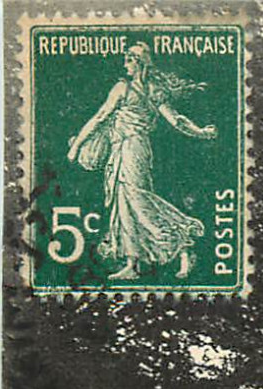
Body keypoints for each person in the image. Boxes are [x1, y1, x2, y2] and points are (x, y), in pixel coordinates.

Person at [66, 41, 216, 280]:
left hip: (132, 149)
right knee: (124, 204)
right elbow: (175, 119)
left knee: (137, 200)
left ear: (140, 63)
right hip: (125, 149)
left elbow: (101, 116)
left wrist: (76, 146)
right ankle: (132, 264)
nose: (125, 63)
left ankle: (183, 242)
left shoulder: (125, 88)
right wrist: (200, 132)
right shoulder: (150, 89)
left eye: (130, 59)